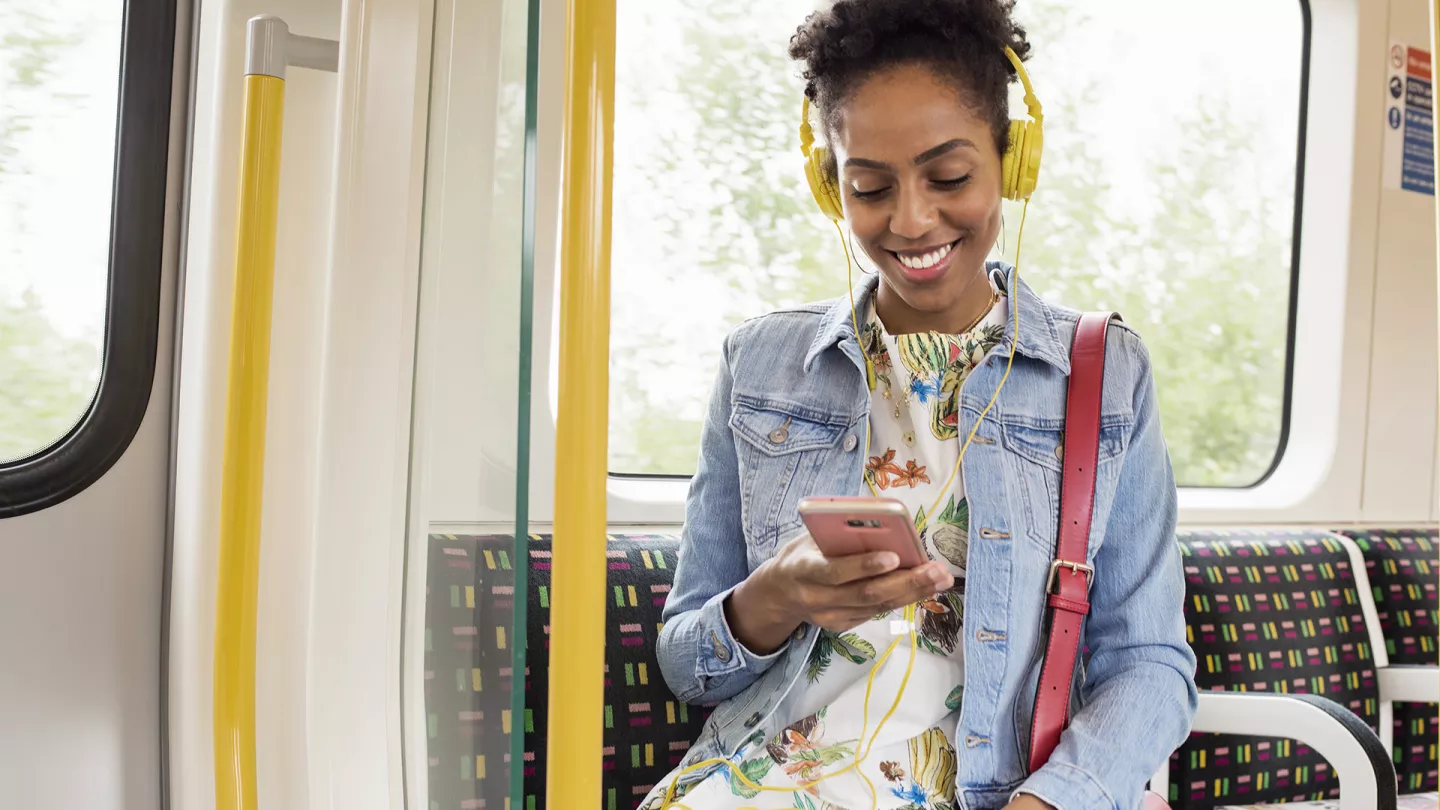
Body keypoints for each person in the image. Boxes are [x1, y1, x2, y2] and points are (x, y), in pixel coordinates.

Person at [640, 1, 1198, 808]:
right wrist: (773, 597)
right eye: (870, 187)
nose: (910, 220)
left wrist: (1054, 799)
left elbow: (1149, 663)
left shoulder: (1105, 373)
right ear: (832, 189)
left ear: (1012, 163)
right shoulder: (758, 366)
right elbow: (687, 666)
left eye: (949, 177)